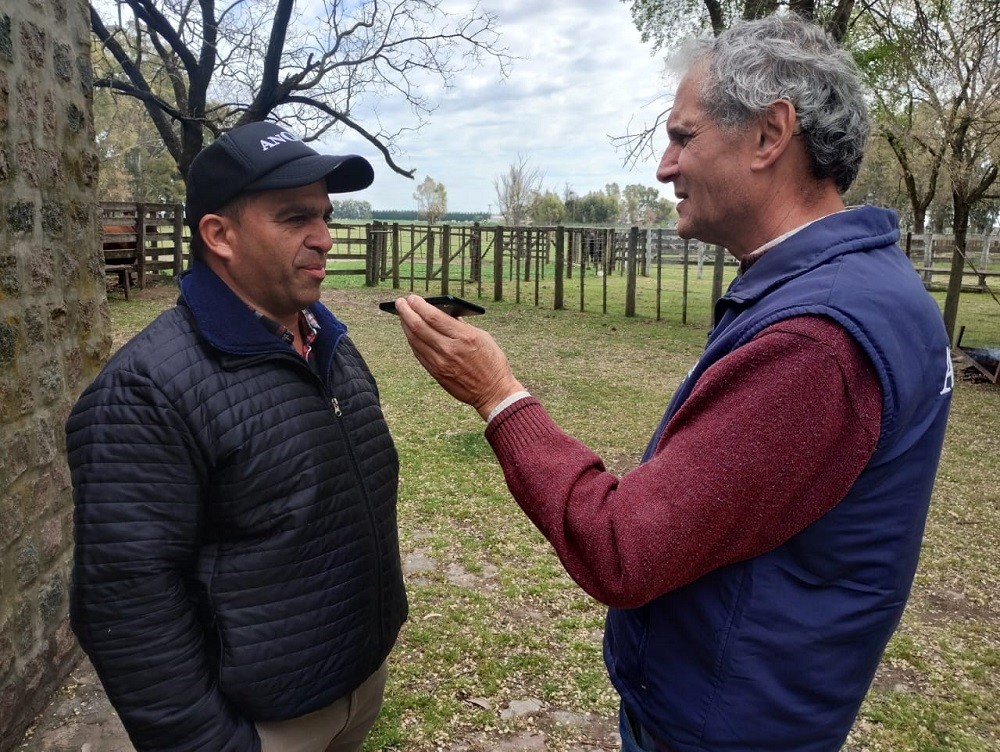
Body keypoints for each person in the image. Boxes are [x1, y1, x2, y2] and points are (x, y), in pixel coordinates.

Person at [392, 14, 953, 752]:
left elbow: (624, 549)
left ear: (768, 135)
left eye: (683, 137)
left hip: (721, 728)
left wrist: (499, 396)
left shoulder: (816, 340)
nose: (663, 166)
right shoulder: (865, 288)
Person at [67, 121, 407, 752]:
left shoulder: (327, 342)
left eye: (326, 216)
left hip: (357, 683)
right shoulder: (146, 389)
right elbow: (125, 603)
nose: (325, 239)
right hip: (263, 723)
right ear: (219, 236)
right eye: (295, 218)